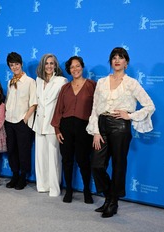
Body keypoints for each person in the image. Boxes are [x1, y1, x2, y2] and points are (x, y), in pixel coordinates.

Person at [86, 47, 155, 218]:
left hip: (120, 127)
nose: (117, 60)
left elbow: (150, 106)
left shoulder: (131, 83)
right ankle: (110, 196)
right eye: (114, 57)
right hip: (101, 125)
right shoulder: (101, 82)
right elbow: (94, 108)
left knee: (118, 165)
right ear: (110, 61)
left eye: (121, 57)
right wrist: (95, 131)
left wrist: (130, 115)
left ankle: (113, 202)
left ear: (126, 62)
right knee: (96, 164)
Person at [51, 56, 96, 204]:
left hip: (85, 128)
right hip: (66, 127)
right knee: (67, 160)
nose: (75, 69)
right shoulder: (65, 88)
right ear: (69, 70)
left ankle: (87, 191)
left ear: (82, 67)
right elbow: (58, 109)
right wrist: (57, 129)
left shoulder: (92, 86)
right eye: (72, 67)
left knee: (84, 161)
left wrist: (97, 129)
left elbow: (97, 109)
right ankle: (69, 189)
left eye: (77, 66)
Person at [33, 54, 67, 197]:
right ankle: (42, 185)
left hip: (53, 125)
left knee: (53, 158)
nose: (49, 66)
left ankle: (54, 189)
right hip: (39, 124)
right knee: (40, 157)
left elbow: (63, 105)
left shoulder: (61, 81)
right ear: (42, 65)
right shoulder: (38, 80)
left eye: (52, 63)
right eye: (46, 63)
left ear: (55, 65)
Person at [4, 52, 37, 190]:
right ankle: (15, 175)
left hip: (22, 122)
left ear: (21, 64)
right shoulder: (10, 82)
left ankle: (23, 176)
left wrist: (26, 118)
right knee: (11, 150)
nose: (14, 67)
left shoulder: (30, 81)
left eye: (16, 64)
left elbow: (34, 103)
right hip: (9, 121)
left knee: (23, 150)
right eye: (12, 65)